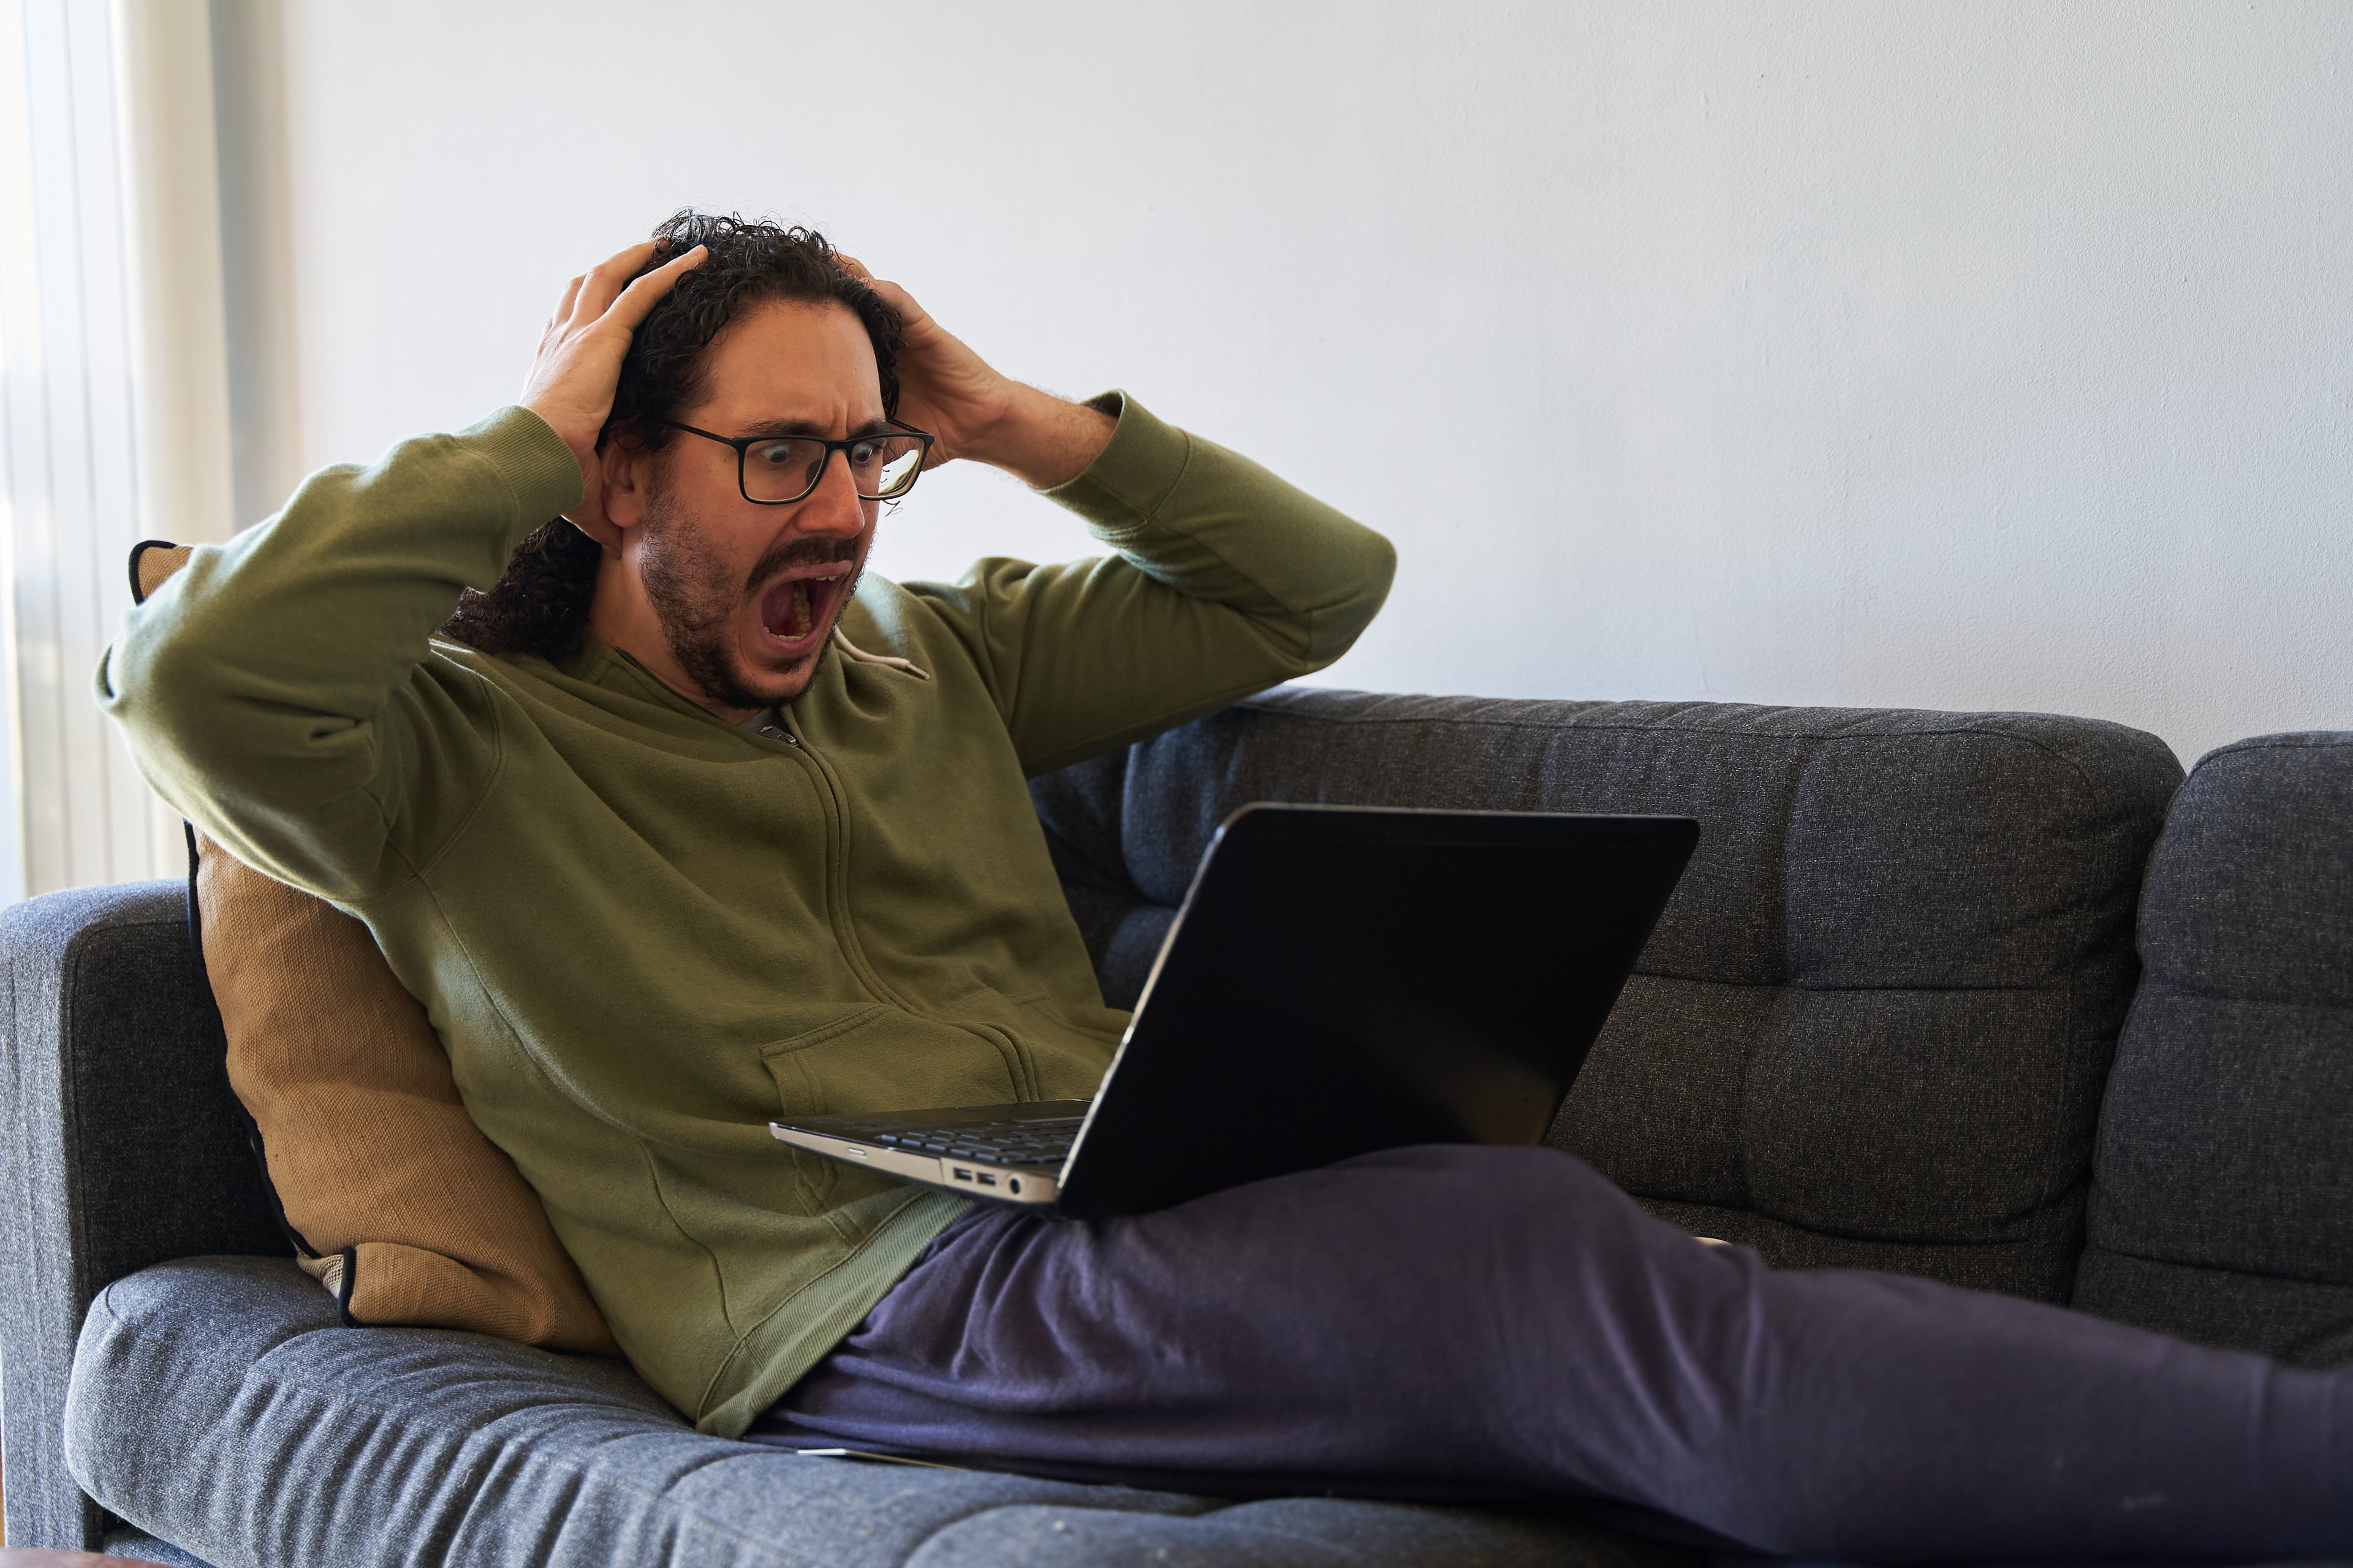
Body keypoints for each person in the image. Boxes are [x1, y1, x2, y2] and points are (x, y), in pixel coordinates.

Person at [102, 212, 2349, 1561]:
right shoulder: (436, 758)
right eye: (779, 455)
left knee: (1581, 1263)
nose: (844, 517)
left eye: (861, 455)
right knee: (1566, 1278)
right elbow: (185, 671)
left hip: (1128, 1194)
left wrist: (1004, 420)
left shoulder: (930, 656)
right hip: (879, 1300)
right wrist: (527, 425)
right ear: (608, 471)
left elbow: (1312, 587)